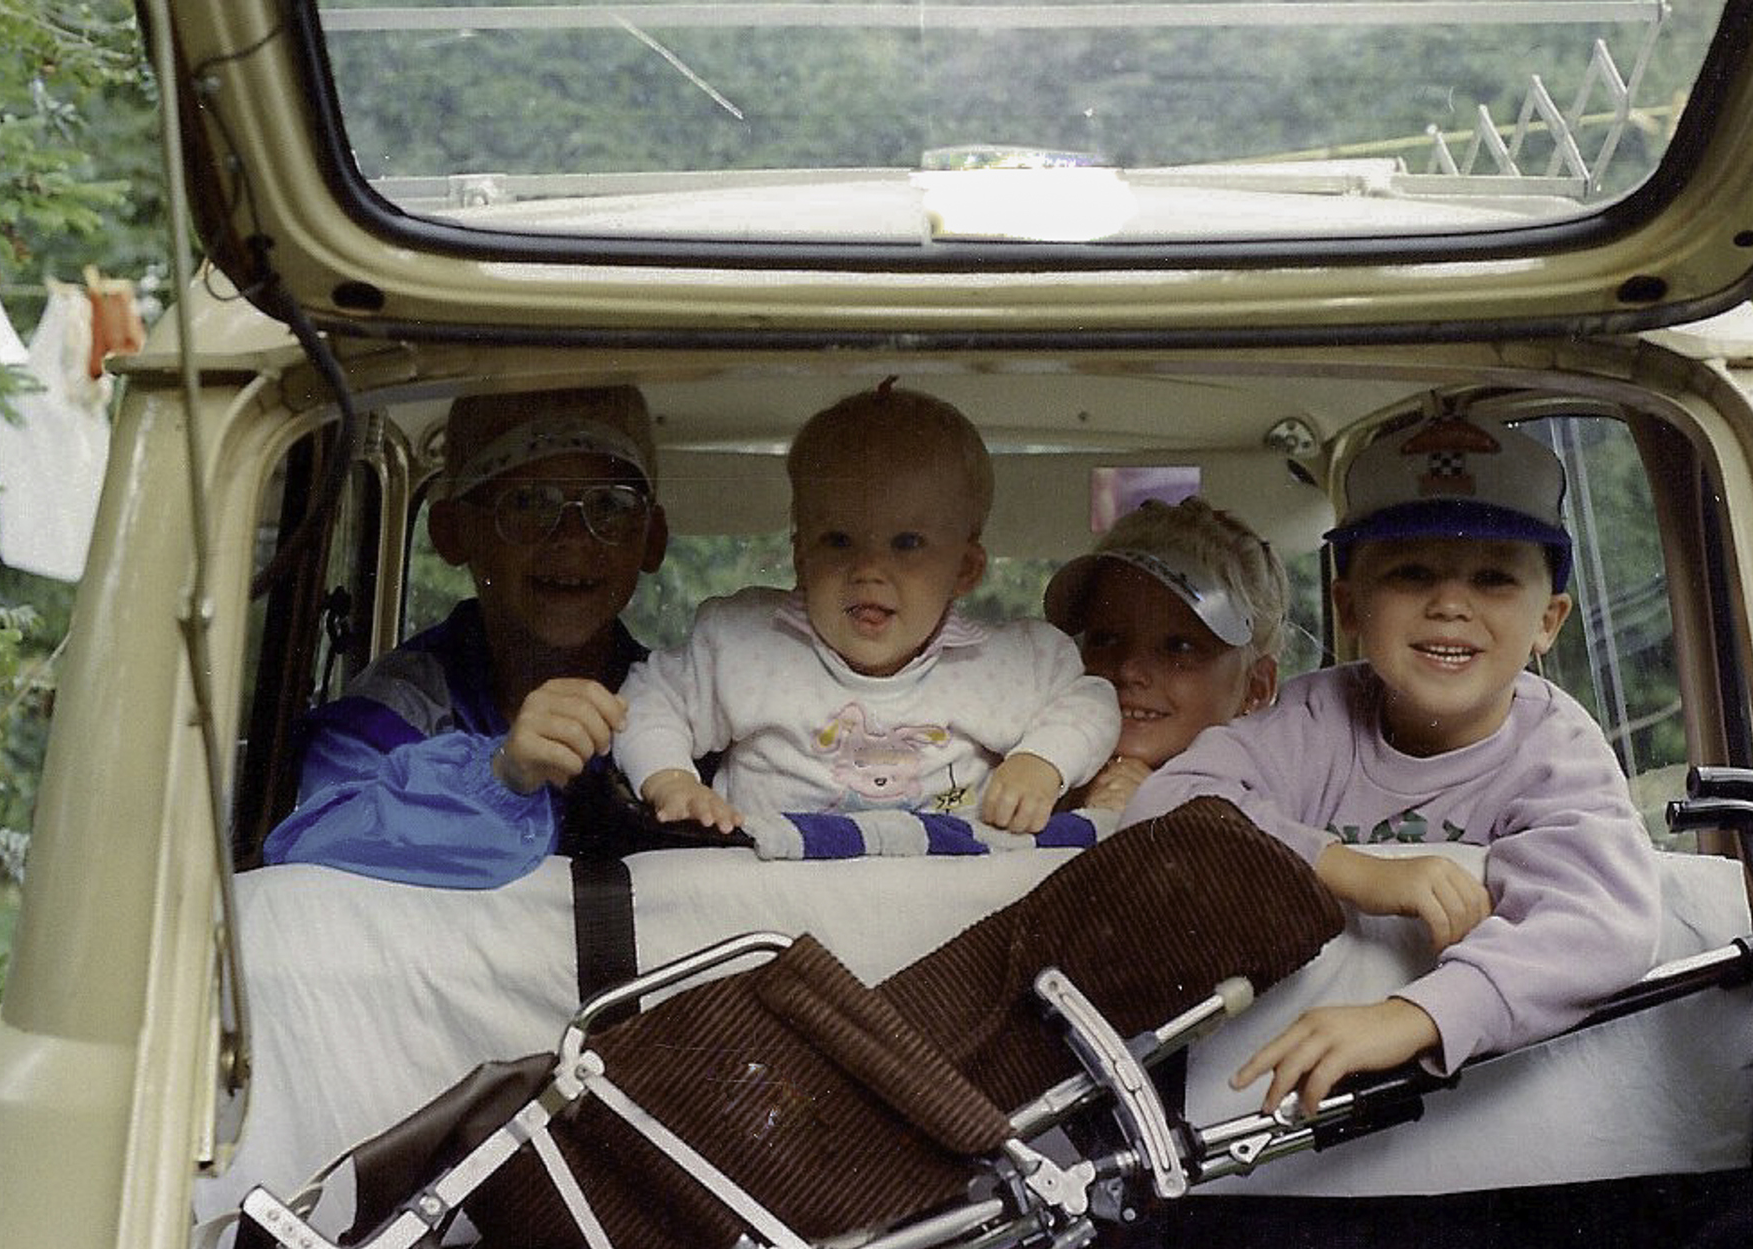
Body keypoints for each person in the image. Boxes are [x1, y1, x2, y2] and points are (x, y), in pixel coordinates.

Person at [1122, 411, 1659, 1115]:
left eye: (1493, 577)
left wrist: (1414, 1015)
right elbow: (1161, 806)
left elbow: (1602, 922)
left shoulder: (1555, 748)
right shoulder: (1312, 718)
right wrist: (1350, 870)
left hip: (1480, 1114)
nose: (1448, 604)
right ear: (1349, 607)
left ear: (1548, 623)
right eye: (1410, 573)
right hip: (1271, 1108)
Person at [613, 381, 1120, 836]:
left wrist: (1040, 761)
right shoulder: (744, 645)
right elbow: (647, 699)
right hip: (773, 903)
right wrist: (670, 779)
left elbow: (1092, 701)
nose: (869, 569)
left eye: (907, 542)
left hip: (945, 907)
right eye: (838, 540)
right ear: (801, 558)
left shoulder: (1008, 664)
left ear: (965, 569)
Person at [262, 385, 675, 887]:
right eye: (527, 503)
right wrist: (499, 777)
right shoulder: (393, 711)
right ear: (453, 532)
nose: (572, 537)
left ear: (652, 539)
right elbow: (308, 840)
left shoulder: (684, 706)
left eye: (610, 505)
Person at [1043, 496, 1289, 812]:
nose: (1130, 669)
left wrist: (1161, 810)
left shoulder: (1275, 804)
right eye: (1104, 639)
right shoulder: (1025, 772)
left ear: (1256, 688)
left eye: (1179, 647)